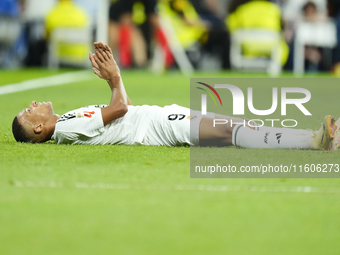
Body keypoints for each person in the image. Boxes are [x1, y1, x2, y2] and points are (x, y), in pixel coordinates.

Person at [11, 42, 339, 151]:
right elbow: (121, 107)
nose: (31, 105)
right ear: (39, 129)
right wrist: (115, 78)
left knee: (236, 125)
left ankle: (319, 137)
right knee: (229, 131)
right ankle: (314, 140)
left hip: (158, 118)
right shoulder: (65, 129)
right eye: (28, 113)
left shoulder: (66, 124)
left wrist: (114, 80)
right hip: (158, 126)